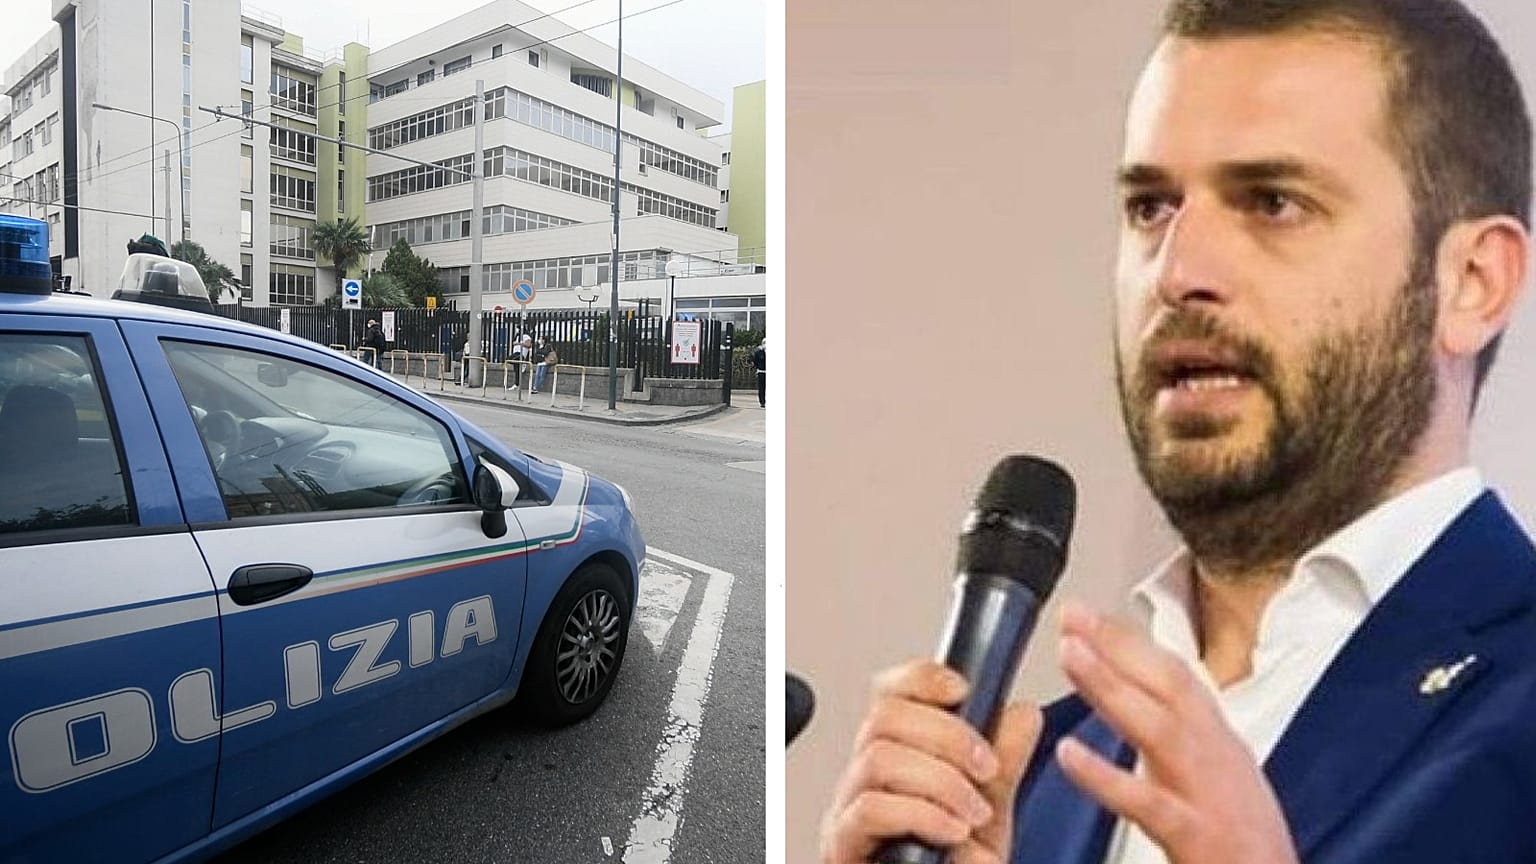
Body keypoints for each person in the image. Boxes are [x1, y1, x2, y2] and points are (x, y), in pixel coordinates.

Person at [821, 1, 1536, 863]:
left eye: (1273, 202)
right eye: (1152, 207)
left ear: (1472, 282)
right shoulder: (1039, 772)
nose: (1179, 272)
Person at [752, 339, 767, 408]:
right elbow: (755, 361)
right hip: (761, 372)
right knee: (761, 388)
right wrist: (758, 368)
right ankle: (762, 402)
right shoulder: (759, 352)